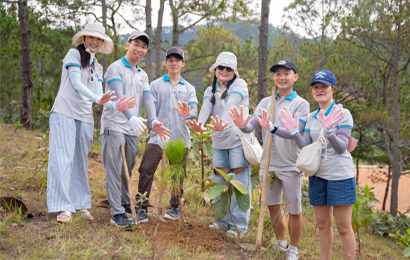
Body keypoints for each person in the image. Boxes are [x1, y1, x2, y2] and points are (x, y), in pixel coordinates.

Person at [47, 23, 136, 223]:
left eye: (99, 39)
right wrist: (97, 99)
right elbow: (77, 83)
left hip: (85, 117)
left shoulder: (98, 66)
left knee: (80, 161)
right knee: (63, 158)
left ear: (102, 42)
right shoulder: (73, 54)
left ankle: (80, 204)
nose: (94, 41)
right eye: (91, 37)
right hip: (65, 112)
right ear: (84, 38)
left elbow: (99, 95)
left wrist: (116, 105)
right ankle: (63, 207)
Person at [229, 60, 309, 260]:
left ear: (295, 77)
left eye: (286, 73)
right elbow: (251, 126)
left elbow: (296, 133)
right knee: (273, 205)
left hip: (291, 164)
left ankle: (293, 249)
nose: (281, 77)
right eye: (277, 74)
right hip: (269, 164)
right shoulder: (266, 102)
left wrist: (273, 128)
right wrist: (241, 124)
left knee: (294, 209)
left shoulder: (301, 104)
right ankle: (281, 242)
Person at [278, 70, 356, 260]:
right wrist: (294, 131)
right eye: (316, 87)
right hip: (318, 175)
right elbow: (305, 146)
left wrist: (330, 132)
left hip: (340, 176)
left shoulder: (342, 114)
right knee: (322, 224)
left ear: (333, 89)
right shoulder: (313, 117)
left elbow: (342, 148)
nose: (319, 90)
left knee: (344, 227)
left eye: (324, 87)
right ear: (312, 90)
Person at [100, 31, 170, 227]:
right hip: (114, 125)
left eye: (143, 47)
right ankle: (117, 214)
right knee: (114, 169)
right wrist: (130, 117)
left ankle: (123, 203)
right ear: (127, 44)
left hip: (133, 128)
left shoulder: (142, 74)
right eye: (136, 44)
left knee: (126, 169)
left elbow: (147, 97)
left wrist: (154, 120)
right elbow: (120, 97)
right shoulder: (115, 68)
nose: (139, 49)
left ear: (146, 51)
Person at [187, 52, 252, 238]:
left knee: (239, 183)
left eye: (228, 68)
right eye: (221, 67)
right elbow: (205, 109)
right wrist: (199, 126)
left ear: (234, 71)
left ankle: (238, 226)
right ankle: (221, 222)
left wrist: (221, 123)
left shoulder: (240, 85)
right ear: (215, 69)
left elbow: (231, 104)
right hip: (219, 142)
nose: (224, 71)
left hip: (237, 141)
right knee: (219, 181)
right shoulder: (210, 90)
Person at [136, 46, 198, 222]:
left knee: (177, 174)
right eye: (170, 60)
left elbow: (193, 111)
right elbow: (151, 110)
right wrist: (154, 124)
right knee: (146, 168)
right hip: (158, 136)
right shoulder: (155, 85)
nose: (174, 63)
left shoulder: (189, 88)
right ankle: (141, 207)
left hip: (180, 137)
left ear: (183, 63)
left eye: (177, 60)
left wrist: (189, 114)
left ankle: (174, 207)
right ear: (166, 63)